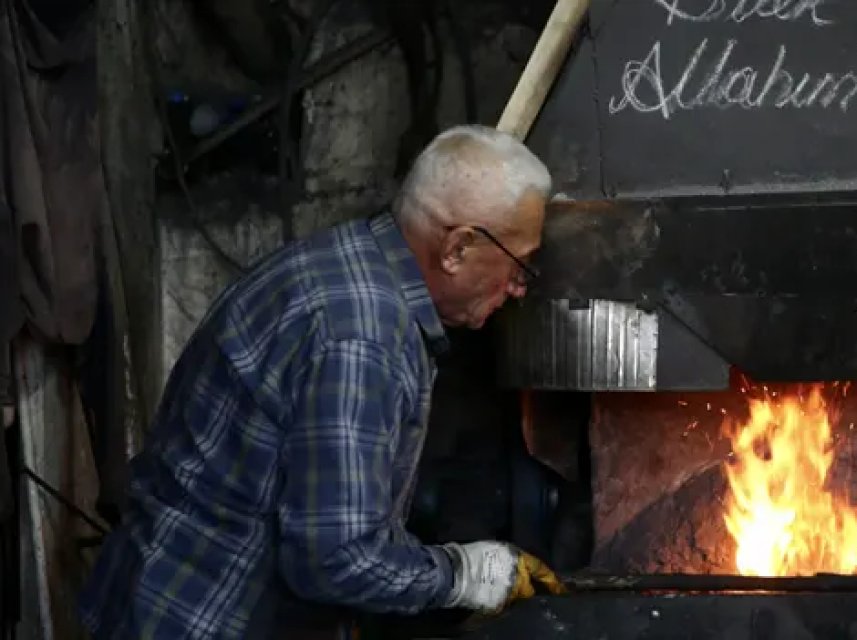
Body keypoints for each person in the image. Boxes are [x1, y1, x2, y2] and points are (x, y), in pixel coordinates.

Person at [78, 125, 564, 639]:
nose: (517, 288)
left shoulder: (347, 262)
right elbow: (334, 558)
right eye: (519, 265)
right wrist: (462, 575)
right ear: (457, 249)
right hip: (200, 620)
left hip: (164, 595)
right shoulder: (363, 335)